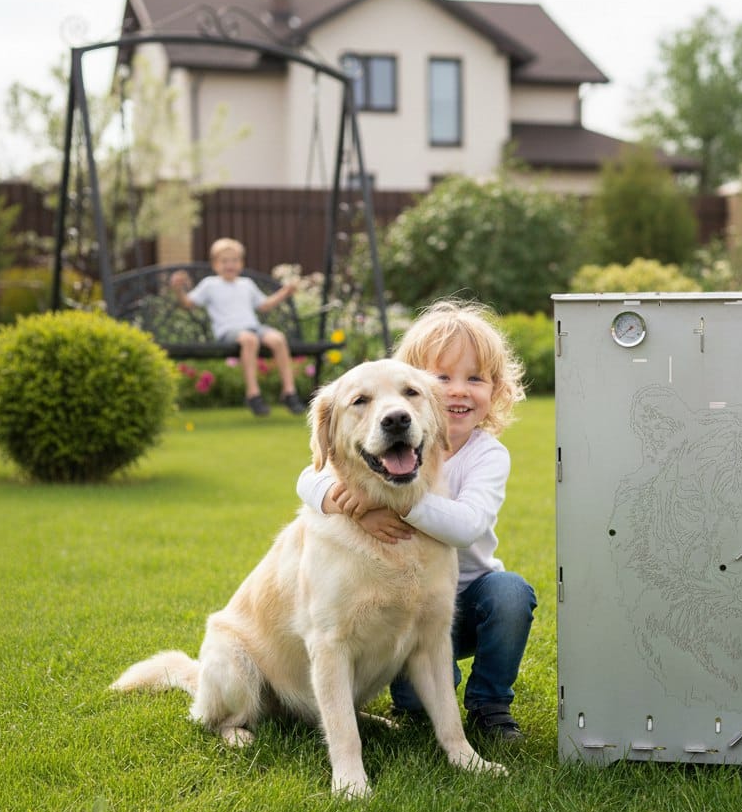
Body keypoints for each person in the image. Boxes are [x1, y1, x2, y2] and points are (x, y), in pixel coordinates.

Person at [296, 299, 537, 742]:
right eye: (442, 379)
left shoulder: (487, 456)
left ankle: (490, 704)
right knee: (415, 706)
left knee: (510, 593)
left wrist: (393, 504)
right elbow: (307, 480)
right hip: (398, 618)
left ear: (495, 389)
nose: (457, 391)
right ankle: (420, 695)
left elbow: (466, 526)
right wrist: (344, 499)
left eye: (475, 379)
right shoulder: (386, 444)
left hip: (467, 600)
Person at [169, 237, 306, 416]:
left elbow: (264, 305)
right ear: (215, 264)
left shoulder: (246, 284)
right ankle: (253, 393)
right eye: (224, 261)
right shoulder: (210, 284)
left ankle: (289, 392)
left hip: (253, 327)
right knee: (249, 340)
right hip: (228, 332)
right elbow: (188, 304)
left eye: (234, 260)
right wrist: (178, 290)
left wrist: (284, 293)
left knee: (278, 338)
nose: (230, 265)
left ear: (241, 264)